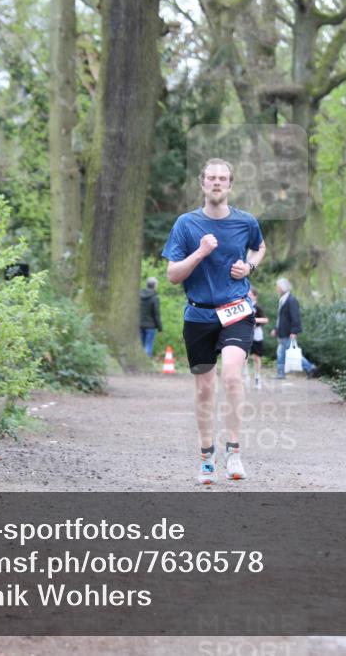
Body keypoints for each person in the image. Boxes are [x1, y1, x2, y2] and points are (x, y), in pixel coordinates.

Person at [162, 158, 266, 484]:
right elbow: (172, 275)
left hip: (236, 309)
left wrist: (249, 267)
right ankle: (207, 457)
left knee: (232, 376)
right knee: (205, 387)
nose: (217, 182)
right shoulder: (186, 224)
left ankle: (234, 452)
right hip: (199, 314)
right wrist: (200, 253)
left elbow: (259, 247)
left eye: (222, 178)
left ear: (230, 185)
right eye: (211, 177)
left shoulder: (246, 221)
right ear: (203, 183)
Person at [271, 277, 317, 379]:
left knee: (288, 353)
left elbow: (296, 317)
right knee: (282, 352)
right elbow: (280, 318)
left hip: (288, 332)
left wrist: (294, 331)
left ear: (283, 287)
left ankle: (310, 367)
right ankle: (281, 373)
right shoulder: (282, 299)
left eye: (278, 287)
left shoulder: (291, 300)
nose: (277, 289)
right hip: (282, 332)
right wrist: (276, 329)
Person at [248, 287, 269, 389]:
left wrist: (254, 320)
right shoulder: (244, 306)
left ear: (255, 296)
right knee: (243, 357)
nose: (248, 296)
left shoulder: (258, 307)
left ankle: (257, 378)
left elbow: (265, 320)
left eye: (250, 295)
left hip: (256, 334)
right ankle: (245, 377)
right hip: (246, 334)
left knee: (256, 357)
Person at [139, 277, 162, 358]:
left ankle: (140, 360)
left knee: (141, 346)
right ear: (155, 285)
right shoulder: (155, 297)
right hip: (150, 326)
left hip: (140, 324)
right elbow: (156, 314)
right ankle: (146, 360)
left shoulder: (139, 296)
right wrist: (160, 328)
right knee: (148, 345)